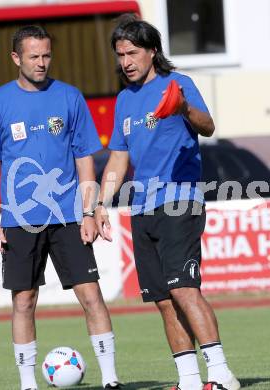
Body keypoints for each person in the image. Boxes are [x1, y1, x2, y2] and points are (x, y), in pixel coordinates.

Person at [95, 14, 240, 390]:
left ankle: (222, 375)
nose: (125, 61)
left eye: (132, 52)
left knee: (184, 289)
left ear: (152, 51)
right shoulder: (124, 99)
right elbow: (118, 158)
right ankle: (189, 379)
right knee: (163, 299)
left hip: (180, 202)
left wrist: (183, 110)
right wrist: (97, 205)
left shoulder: (178, 84)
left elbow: (207, 125)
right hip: (141, 209)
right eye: (120, 54)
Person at [0, 25, 121, 390]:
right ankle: (28, 383)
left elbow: (84, 158)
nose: (42, 63)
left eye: (46, 56)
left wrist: (89, 212)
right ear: (16, 58)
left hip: (70, 215)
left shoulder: (70, 97)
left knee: (91, 295)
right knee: (24, 300)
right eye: (34, 57)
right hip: (20, 220)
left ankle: (111, 379)